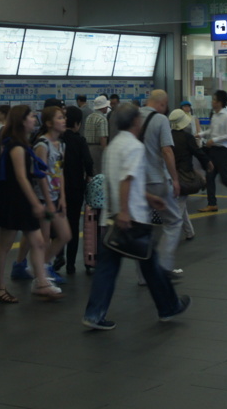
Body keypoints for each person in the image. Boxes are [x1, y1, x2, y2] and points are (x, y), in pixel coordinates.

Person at [81, 103, 191, 330]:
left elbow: (122, 179)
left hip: (111, 218)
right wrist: (125, 211)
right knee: (151, 263)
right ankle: (169, 306)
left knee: (107, 269)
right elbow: (127, 180)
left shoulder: (113, 146)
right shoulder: (133, 146)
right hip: (132, 219)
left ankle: (94, 314)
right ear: (135, 122)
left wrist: (148, 197)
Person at [0, 105, 63, 302]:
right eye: (30, 116)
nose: (34, 119)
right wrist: (36, 204)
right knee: (5, 244)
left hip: (17, 199)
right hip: (14, 200)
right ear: (22, 121)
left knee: (37, 241)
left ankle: (41, 282)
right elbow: (21, 178)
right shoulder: (18, 147)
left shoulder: (20, 143)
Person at [11, 106, 73, 284]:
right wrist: (48, 201)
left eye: (64, 117)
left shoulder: (61, 144)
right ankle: (40, 271)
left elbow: (59, 171)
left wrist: (62, 196)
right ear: (49, 123)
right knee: (43, 238)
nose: (64, 121)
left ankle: (36, 265)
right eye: (60, 118)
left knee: (65, 235)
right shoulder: (42, 145)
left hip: (54, 196)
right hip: (42, 197)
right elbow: (40, 176)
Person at [137, 90, 185, 276]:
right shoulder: (161, 120)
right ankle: (163, 267)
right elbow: (167, 151)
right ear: (162, 104)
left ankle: (143, 276)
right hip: (157, 180)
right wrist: (175, 178)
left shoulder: (134, 117)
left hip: (138, 183)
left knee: (142, 226)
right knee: (173, 221)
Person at [59, 106, 93, 275]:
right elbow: (88, 162)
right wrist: (89, 176)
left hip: (58, 189)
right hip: (75, 188)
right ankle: (71, 265)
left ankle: (58, 256)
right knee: (73, 224)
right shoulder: (79, 141)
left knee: (58, 223)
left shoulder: (57, 139)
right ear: (78, 123)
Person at [169, 108, 211, 242]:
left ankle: (189, 232)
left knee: (181, 203)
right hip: (184, 176)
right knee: (179, 207)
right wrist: (207, 163)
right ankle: (171, 237)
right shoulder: (187, 137)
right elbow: (197, 152)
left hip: (170, 175)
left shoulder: (167, 136)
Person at [84, 95, 110, 175]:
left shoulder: (89, 117)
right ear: (103, 107)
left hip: (87, 148)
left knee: (91, 173)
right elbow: (102, 137)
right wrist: (106, 153)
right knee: (99, 174)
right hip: (98, 150)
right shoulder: (102, 119)